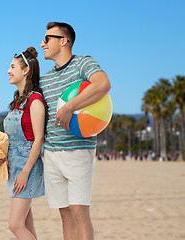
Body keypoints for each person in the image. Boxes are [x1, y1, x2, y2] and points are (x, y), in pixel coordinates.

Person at [39, 22, 111, 240]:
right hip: (51, 153)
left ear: (63, 40)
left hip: (78, 150)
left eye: (47, 38)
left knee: (80, 212)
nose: (42, 44)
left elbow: (103, 84)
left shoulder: (83, 63)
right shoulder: (45, 79)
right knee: (65, 214)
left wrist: (69, 106)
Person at [2, 47, 46, 240]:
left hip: (26, 167)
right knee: (27, 224)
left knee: (15, 225)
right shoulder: (18, 102)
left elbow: (38, 140)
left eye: (12, 67)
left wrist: (25, 172)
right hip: (15, 165)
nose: (8, 71)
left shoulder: (35, 101)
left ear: (26, 70)